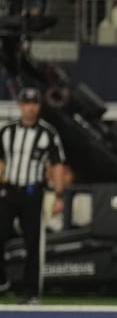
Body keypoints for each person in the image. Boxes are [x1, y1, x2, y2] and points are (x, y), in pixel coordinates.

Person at [0, 87, 66, 304]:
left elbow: (57, 165)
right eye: (27, 103)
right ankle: (2, 281)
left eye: (34, 103)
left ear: (39, 106)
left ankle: (31, 293)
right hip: (8, 191)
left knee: (33, 244)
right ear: (19, 105)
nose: (30, 107)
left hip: (32, 193)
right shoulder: (6, 131)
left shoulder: (48, 133)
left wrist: (59, 195)